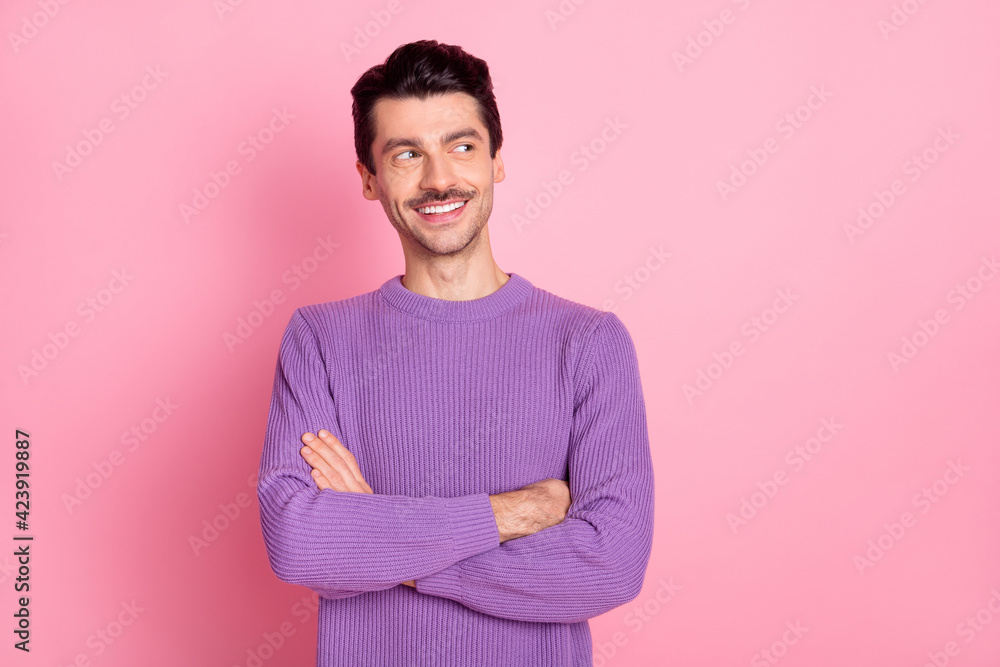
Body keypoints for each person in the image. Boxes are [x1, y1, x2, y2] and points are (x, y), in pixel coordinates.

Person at [257, 39, 655, 666]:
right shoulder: (320, 340)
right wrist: (518, 511)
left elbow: (609, 565)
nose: (439, 178)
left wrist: (386, 544)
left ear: (497, 160)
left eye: (461, 146)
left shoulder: (588, 343)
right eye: (407, 154)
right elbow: (299, 542)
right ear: (369, 178)